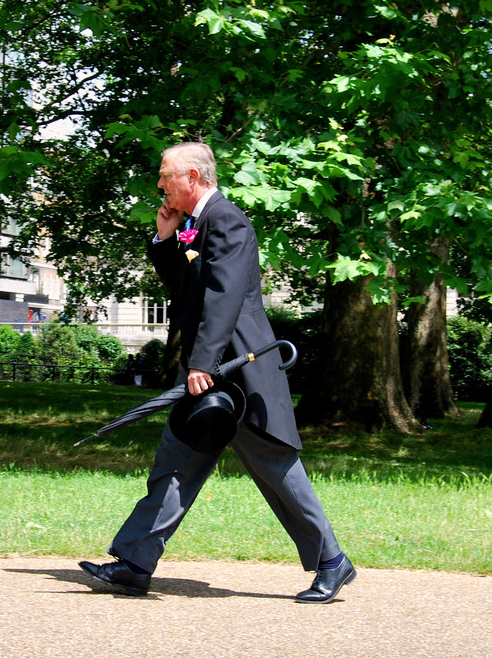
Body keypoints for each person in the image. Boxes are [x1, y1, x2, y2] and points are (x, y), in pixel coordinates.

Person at [78, 142, 355, 603]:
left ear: (193, 177)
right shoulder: (193, 223)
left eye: (167, 175)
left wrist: (201, 364)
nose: (161, 183)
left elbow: (223, 299)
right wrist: (167, 240)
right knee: (175, 461)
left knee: (276, 468)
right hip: (210, 370)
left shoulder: (227, 220)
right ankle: (135, 563)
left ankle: (332, 561)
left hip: (239, 373)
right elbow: (187, 292)